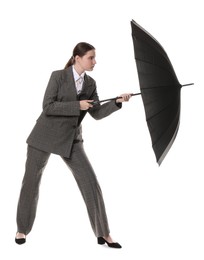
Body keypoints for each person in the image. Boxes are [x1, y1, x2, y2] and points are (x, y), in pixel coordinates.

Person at [15, 42, 131, 248]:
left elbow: (96, 113)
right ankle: (22, 229)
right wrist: (77, 105)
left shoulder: (90, 84)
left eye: (95, 58)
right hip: (44, 135)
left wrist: (117, 102)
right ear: (78, 58)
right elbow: (48, 106)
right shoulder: (58, 76)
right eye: (91, 58)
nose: (95, 62)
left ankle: (103, 233)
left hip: (71, 139)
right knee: (31, 183)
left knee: (90, 182)